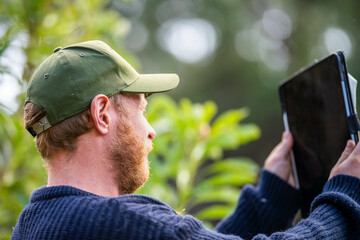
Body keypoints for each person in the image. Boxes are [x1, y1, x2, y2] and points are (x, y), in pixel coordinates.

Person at [12, 40, 360, 239]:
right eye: (141, 111)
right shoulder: (120, 221)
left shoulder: (33, 224)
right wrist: (345, 193)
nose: (151, 130)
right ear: (102, 114)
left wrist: (270, 197)